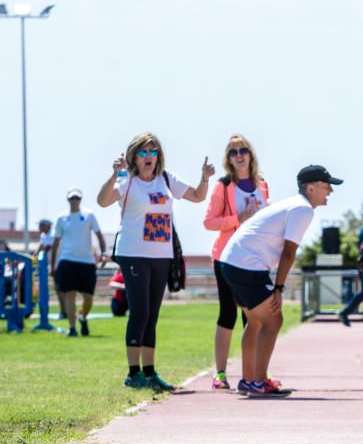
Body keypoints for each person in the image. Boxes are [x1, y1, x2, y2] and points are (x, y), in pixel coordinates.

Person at [97, 132, 212, 391]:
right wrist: (115, 175)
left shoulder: (167, 179)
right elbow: (103, 201)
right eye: (144, 152)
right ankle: (132, 373)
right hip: (133, 252)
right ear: (133, 156)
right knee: (139, 311)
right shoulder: (128, 181)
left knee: (153, 315)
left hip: (161, 254)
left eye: (153, 152)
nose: (149, 157)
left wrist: (204, 178)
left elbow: (197, 196)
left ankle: (149, 373)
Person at [219, 165, 339, 397]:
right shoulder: (303, 209)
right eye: (327, 186)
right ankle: (259, 382)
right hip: (246, 264)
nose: (330, 191)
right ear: (311, 187)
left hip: (232, 261)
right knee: (273, 320)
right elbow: (288, 252)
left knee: (255, 321)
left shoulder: (293, 204)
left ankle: (248, 380)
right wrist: (279, 288)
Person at [203, 134, 271, 390]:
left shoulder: (262, 185)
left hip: (256, 259)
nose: (239, 155)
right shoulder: (223, 185)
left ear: (251, 155)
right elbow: (209, 222)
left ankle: (254, 373)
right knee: (228, 313)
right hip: (227, 258)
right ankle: (219, 373)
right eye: (233, 152)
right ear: (228, 159)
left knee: (254, 316)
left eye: (243, 150)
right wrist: (237, 219)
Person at [51, 188, 107, 337]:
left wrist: (103, 254)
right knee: (70, 294)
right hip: (67, 260)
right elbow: (56, 243)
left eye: (77, 198)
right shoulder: (61, 218)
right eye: (72, 198)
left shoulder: (89, 215)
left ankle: (82, 316)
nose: (75, 201)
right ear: (68, 200)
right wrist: (53, 265)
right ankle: (72, 328)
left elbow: (100, 235)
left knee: (88, 298)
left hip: (87, 262)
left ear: (80, 200)